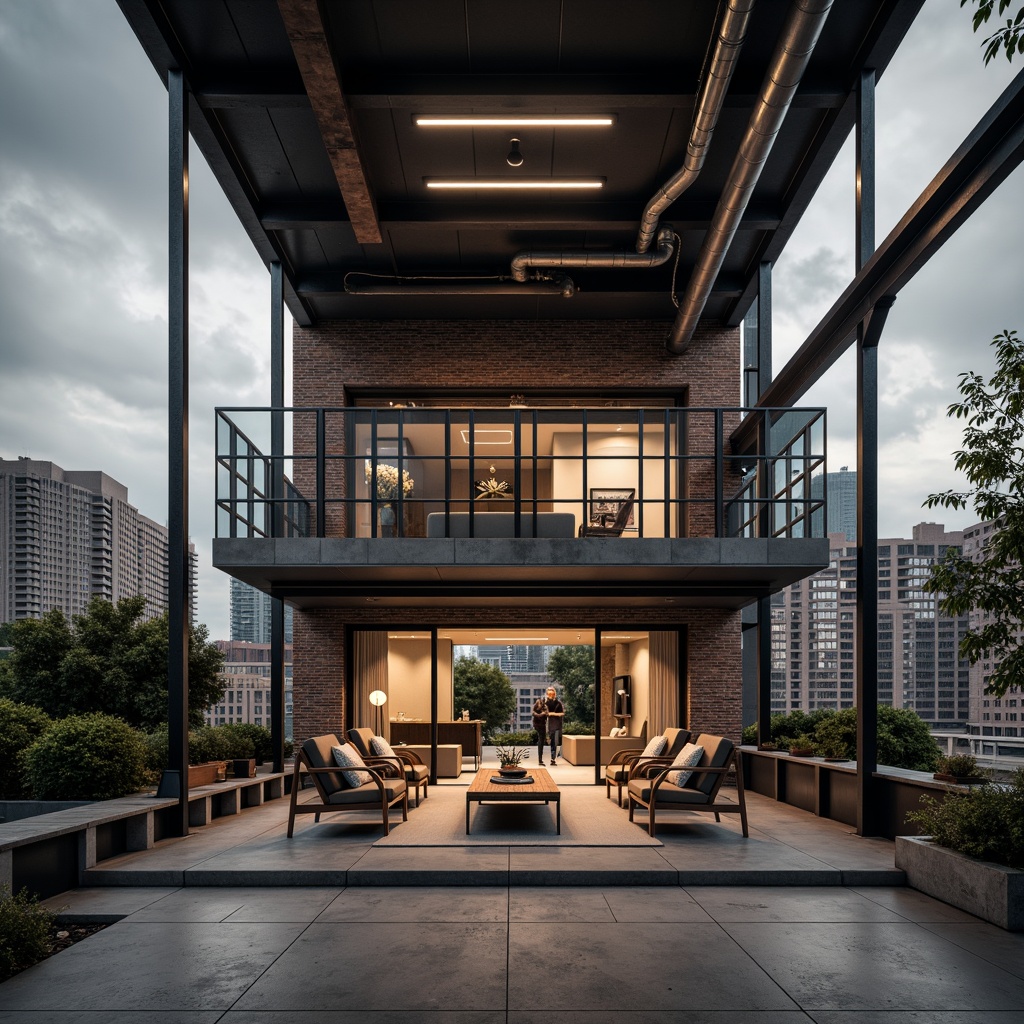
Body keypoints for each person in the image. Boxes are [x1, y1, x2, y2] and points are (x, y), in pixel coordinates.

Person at [543, 686, 565, 765]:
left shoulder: (558, 703)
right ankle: (553, 757)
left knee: (555, 742)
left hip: (557, 725)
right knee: (552, 742)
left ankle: (554, 757)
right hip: (549, 725)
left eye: (552, 692)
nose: (550, 694)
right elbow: (544, 713)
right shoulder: (545, 703)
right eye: (549, 693)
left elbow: (562, 713)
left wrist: (553, 714)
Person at [532, 695, 549, 765]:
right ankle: (540, 759)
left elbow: (547, 714)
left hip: (542, 725)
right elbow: (533, 713)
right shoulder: (537, 704)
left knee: (542, 741)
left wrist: (544, 713)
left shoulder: (545, 707)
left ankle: (540, 759)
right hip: (538, 725)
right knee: (541, 741)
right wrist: (540, 715)